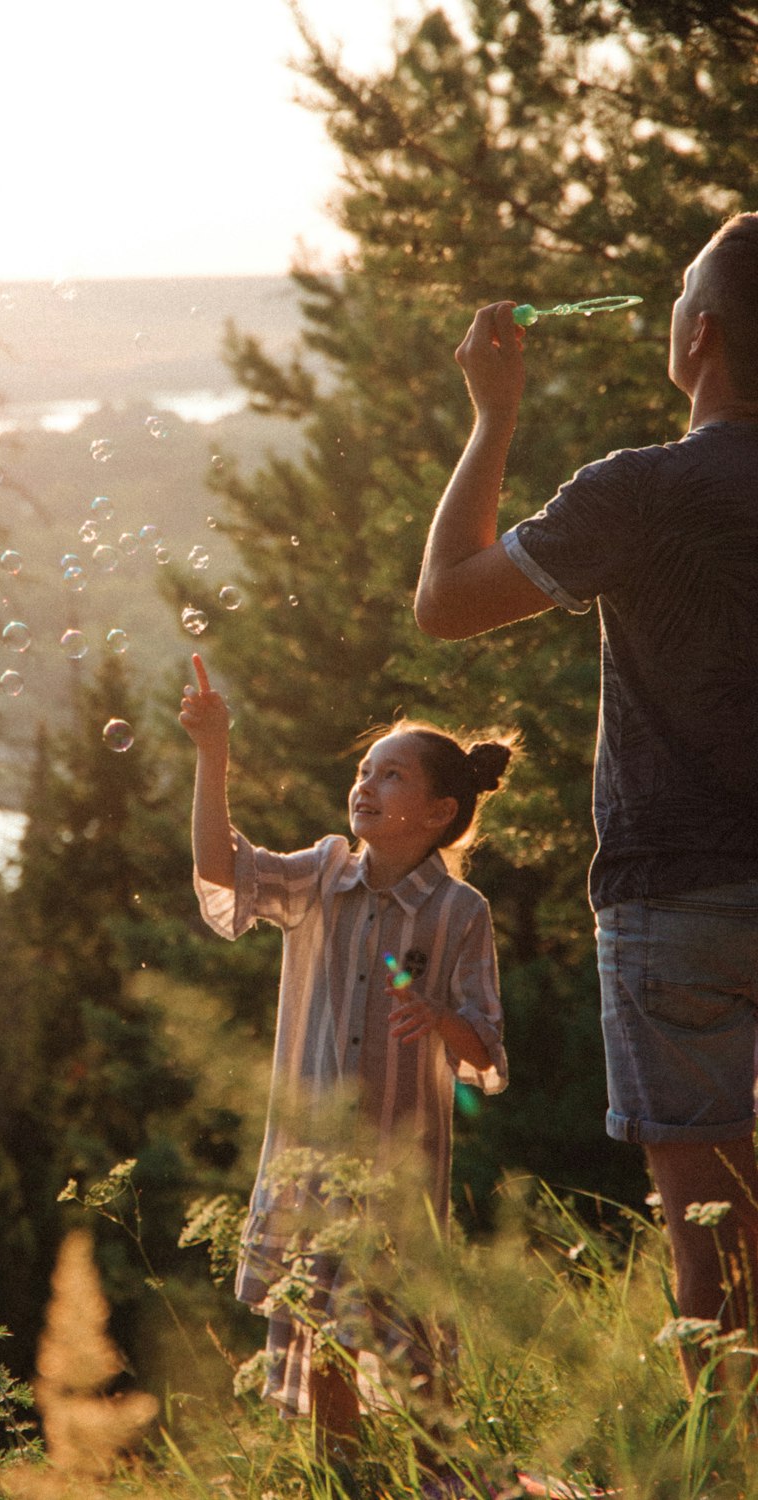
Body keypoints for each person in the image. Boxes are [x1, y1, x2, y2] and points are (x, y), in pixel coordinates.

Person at [414, 212, 758, 1389]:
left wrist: (493, 414)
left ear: (699, 334)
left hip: (675, 908)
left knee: (711, 1272)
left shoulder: (639, 491)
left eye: (676, 294)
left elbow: (448, 601)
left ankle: (725, 1457)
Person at [178, 650, 510, 1467]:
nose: (365, 783)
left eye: (390, 775)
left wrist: (439, 1018)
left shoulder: (460, 912)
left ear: (436, 812)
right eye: (365, 769)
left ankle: (439, 1475)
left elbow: (487, 1050)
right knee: (324, 1330)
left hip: (402, 1167)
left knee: (410, 1340)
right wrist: (213, 753)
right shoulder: (323, 873)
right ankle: (347, 1476)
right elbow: (221, 867)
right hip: (313, 1160)